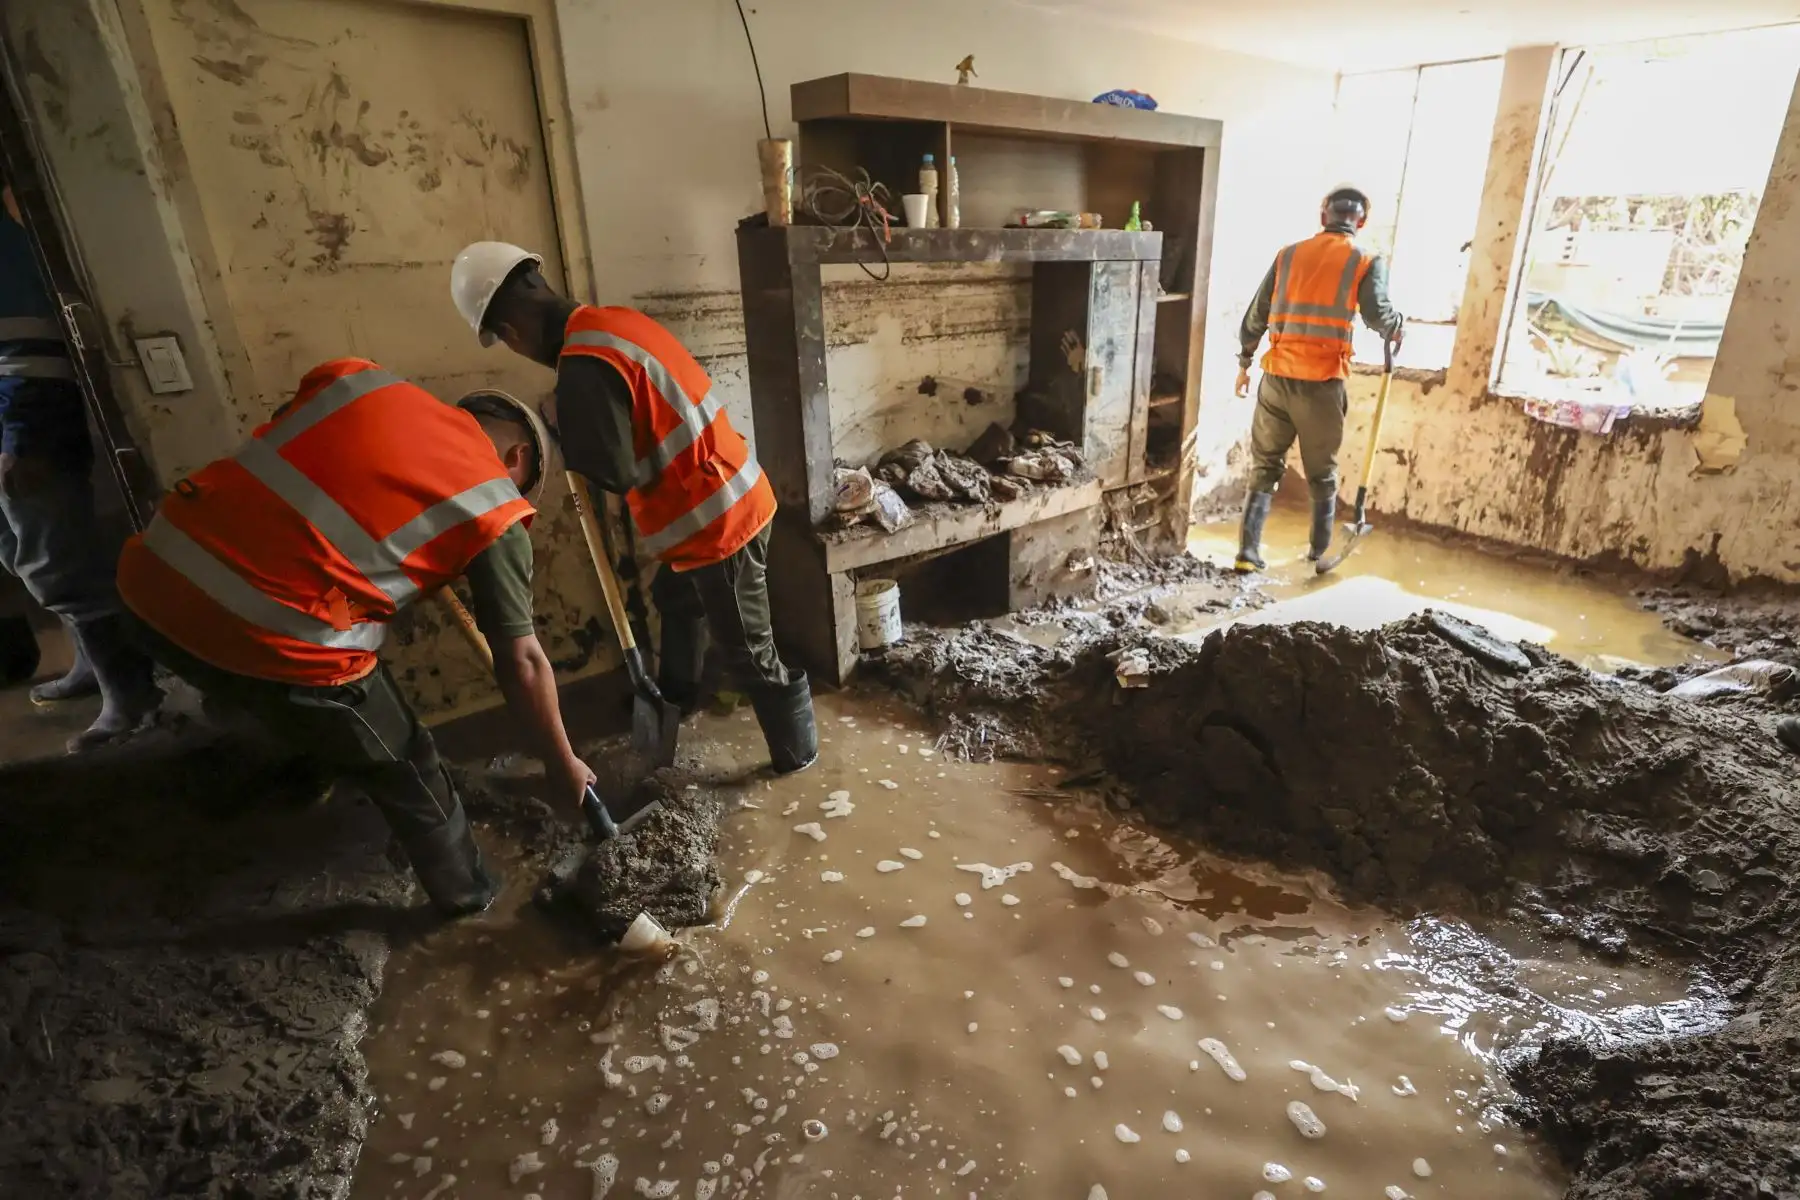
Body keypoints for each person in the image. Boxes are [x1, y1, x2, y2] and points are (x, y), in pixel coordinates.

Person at [114, 358, 597, 917]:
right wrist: (562, 764)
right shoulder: (494, 507)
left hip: (150, 583)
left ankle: (293, 772)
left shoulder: (358, 380)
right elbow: (523, 662)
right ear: (516, 459)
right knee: (407, 757)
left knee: (290, 683)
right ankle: (471, 898)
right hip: (267, 633)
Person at [447, 241, 818, 775]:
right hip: (717, 497)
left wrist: (563, 429)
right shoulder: (611, 323)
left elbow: (613, 472)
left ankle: (797, 754)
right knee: (676, 598)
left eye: (505, 338)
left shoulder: (583, 364)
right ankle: (677, 699)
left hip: (719, 524)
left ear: (509, 330)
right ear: (536, 280)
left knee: (750, 655)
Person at [0, 175, 159, 749]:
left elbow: (30, 352)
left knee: (57, 563)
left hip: (28, 428)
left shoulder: (7, 249)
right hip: (13, 426)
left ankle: (131, 697)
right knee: (23, 554)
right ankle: (94, 668)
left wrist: (22, 441)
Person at [1233, 185, 1405, 572]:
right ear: (1361, 222)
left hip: (1275, 380)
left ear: (1323, 215)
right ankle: (1318, 554)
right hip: (1321, 385)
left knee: (1265, 465)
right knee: (1322, 474)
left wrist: (1245, 362)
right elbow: (1378, 315)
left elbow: (1256, 315)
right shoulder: (1366, 260)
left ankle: (1247, 554)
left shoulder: (1288, 255)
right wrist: (1397, 326)